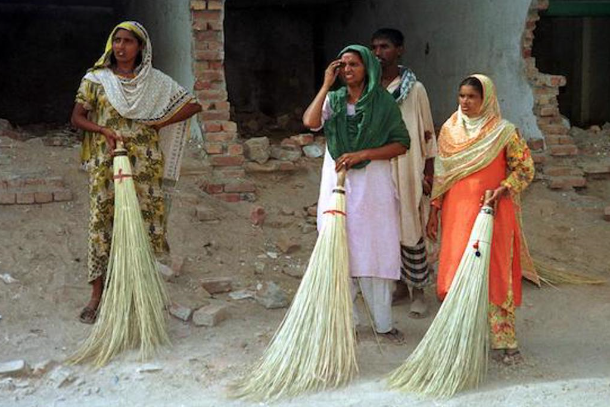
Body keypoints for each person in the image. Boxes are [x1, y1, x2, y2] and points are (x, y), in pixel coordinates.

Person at [71, 21, 202, 324]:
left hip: (144, 162)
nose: (121, 47)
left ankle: (138, 292)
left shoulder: (153, 82)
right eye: (117, 40)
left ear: (141, 47)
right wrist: (102, 128)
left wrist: (158, 123)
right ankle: (96, 296)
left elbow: (193, 105)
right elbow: (77, 116)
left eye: (128, 41)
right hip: (107, 162)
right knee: (102, 224)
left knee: (142, 224)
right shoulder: (97, 80)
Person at [303, 45, 410, 343]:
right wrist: (326, 84)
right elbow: (310, 122)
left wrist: (363, 153)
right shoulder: (333, 100)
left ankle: (383, 324)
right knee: (339, 248)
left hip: (373, 186)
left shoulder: (383, 103)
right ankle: (345, 322)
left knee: (374, 249)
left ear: (368, 70)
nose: (348, 69)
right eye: (343, 65)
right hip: (336, 183)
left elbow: (401, 143)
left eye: (354, 64)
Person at [426, 74, 534, 364]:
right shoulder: (449, 130)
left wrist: (504, 188)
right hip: (457, 213)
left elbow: (524, 168)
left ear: (485, 98)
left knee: (495, 269)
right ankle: (458, 338)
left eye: (472, 97)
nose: (465, 102)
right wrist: (434, 210)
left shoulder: (504, 132)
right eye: (461, 96)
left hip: (495, 212)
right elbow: (442, 176)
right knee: (457, 267)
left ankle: (503, 341)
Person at [371, 28, 437, 318]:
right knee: (386, 226)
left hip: (409, 165)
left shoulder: (415, 89)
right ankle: (397, 286)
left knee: (411, 226)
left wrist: (429, 172)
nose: (378, 53)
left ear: (400, 50)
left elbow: (427, 132)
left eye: (384, 47)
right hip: (379, 166)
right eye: (374, 47)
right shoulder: (370, 87)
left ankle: (419, 291)